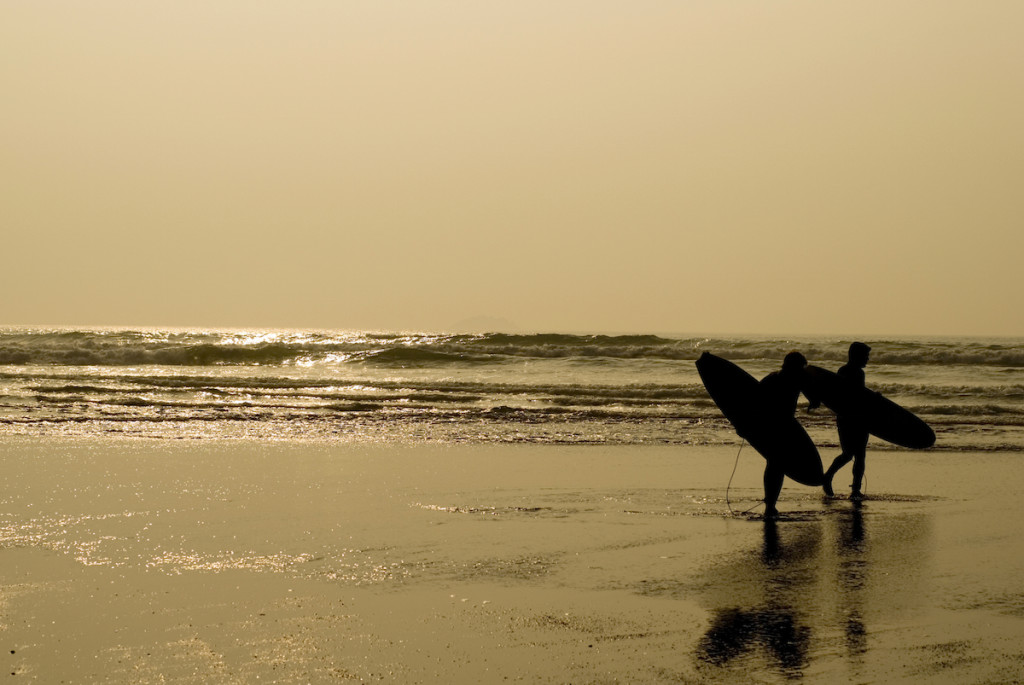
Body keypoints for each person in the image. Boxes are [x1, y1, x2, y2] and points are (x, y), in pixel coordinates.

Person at [759, 351, 817, 518]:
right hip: (782, 426)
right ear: (796, 367)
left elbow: (754, 400)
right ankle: (770, 505)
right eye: (801, 367)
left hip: (769, 426)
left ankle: (770, 503)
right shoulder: (796, 379)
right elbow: (813, 397)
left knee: (774, 464)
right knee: (777, 464)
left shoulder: (772, 378)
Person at [822, 342, 872, 499]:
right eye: (865, 356)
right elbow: (854, 395)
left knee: (855, 455)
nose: (868, 359)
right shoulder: (853, 372)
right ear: (856, 356)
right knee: (852, 454)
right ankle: (832, 479)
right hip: (852, 419)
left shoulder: (846, 371)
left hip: (852, 418)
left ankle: (854, 488)